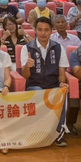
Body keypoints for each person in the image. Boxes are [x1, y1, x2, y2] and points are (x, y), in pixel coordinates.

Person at [21, 17, 69, 146]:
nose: (43, 33)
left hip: (53, 85)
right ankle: (36, 132)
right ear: (35, 30)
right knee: (38, 92)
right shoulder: (26, 48)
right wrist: (27, 66)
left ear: (51, 31)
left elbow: (61, 72)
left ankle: (59, 132)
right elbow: (25, 76)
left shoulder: (58, 48)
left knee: (61, 92)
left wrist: (61, 83)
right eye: (40, 30)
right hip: (34, 85)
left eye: (46, 30)